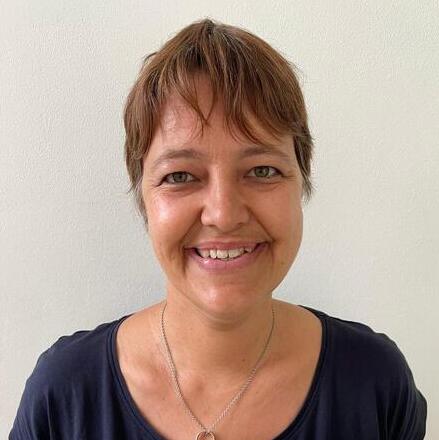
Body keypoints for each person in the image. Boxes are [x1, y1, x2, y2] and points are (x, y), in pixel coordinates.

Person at [9, 17, 427, 440]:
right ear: (144, 198)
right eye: (180, 176)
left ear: (301, 182)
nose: (224, 215)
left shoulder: (376, 385)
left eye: (262, 170)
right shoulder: (63, 397)